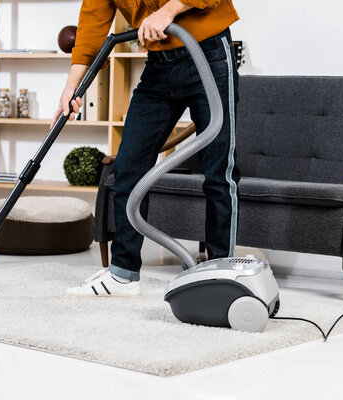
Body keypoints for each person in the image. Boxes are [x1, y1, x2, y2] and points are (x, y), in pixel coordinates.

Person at [55, 0, 241, 296]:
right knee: (129, 167)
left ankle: (219, 277)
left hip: (209, 55)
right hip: (158, 65)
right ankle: (123, 274)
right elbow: (92, 22)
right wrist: (72, 87)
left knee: (218, 171)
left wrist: (168, 11)